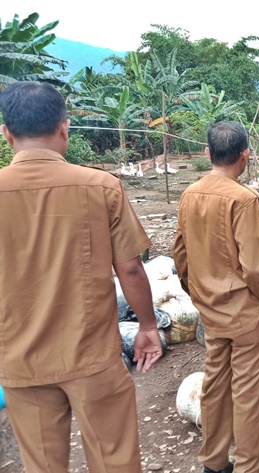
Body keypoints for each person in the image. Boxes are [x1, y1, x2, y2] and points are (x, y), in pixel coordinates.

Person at [0, 81, 163, 472]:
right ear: (64, 129)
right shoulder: (100, 186)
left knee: (42, 465)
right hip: (92, 357)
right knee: (115, 460)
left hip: (21, 362)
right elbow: (129, 267)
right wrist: (148, 325)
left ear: (7, 134)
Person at [173, 121, 259, 473]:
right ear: (245, 155)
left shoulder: (190, 194)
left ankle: (213, 463)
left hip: (212, 312)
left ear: (207, 153)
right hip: (247, 314)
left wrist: (198, 293)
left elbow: (180, 255)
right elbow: (254, 268)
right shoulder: (243, 199)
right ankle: (248, 466)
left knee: (216, 386)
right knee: (250, 396)